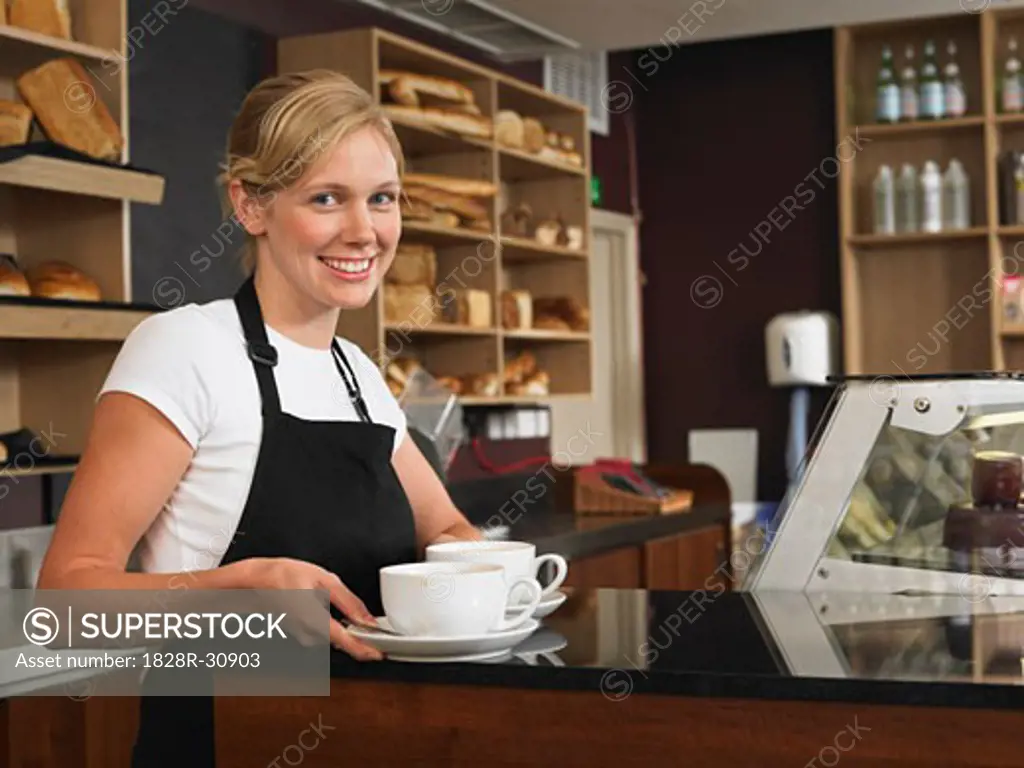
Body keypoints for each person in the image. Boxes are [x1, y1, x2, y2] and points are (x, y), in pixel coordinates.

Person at [36, 69, 482, 765]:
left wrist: (490, 576)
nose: (364, 231)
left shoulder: (358, 373)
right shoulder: (185, 346)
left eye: (382, 199)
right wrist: (238, 587)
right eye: (327, 198)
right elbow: (66, 604)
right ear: (250, 204)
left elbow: (447, 528)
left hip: (369, 741)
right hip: (218, 742)